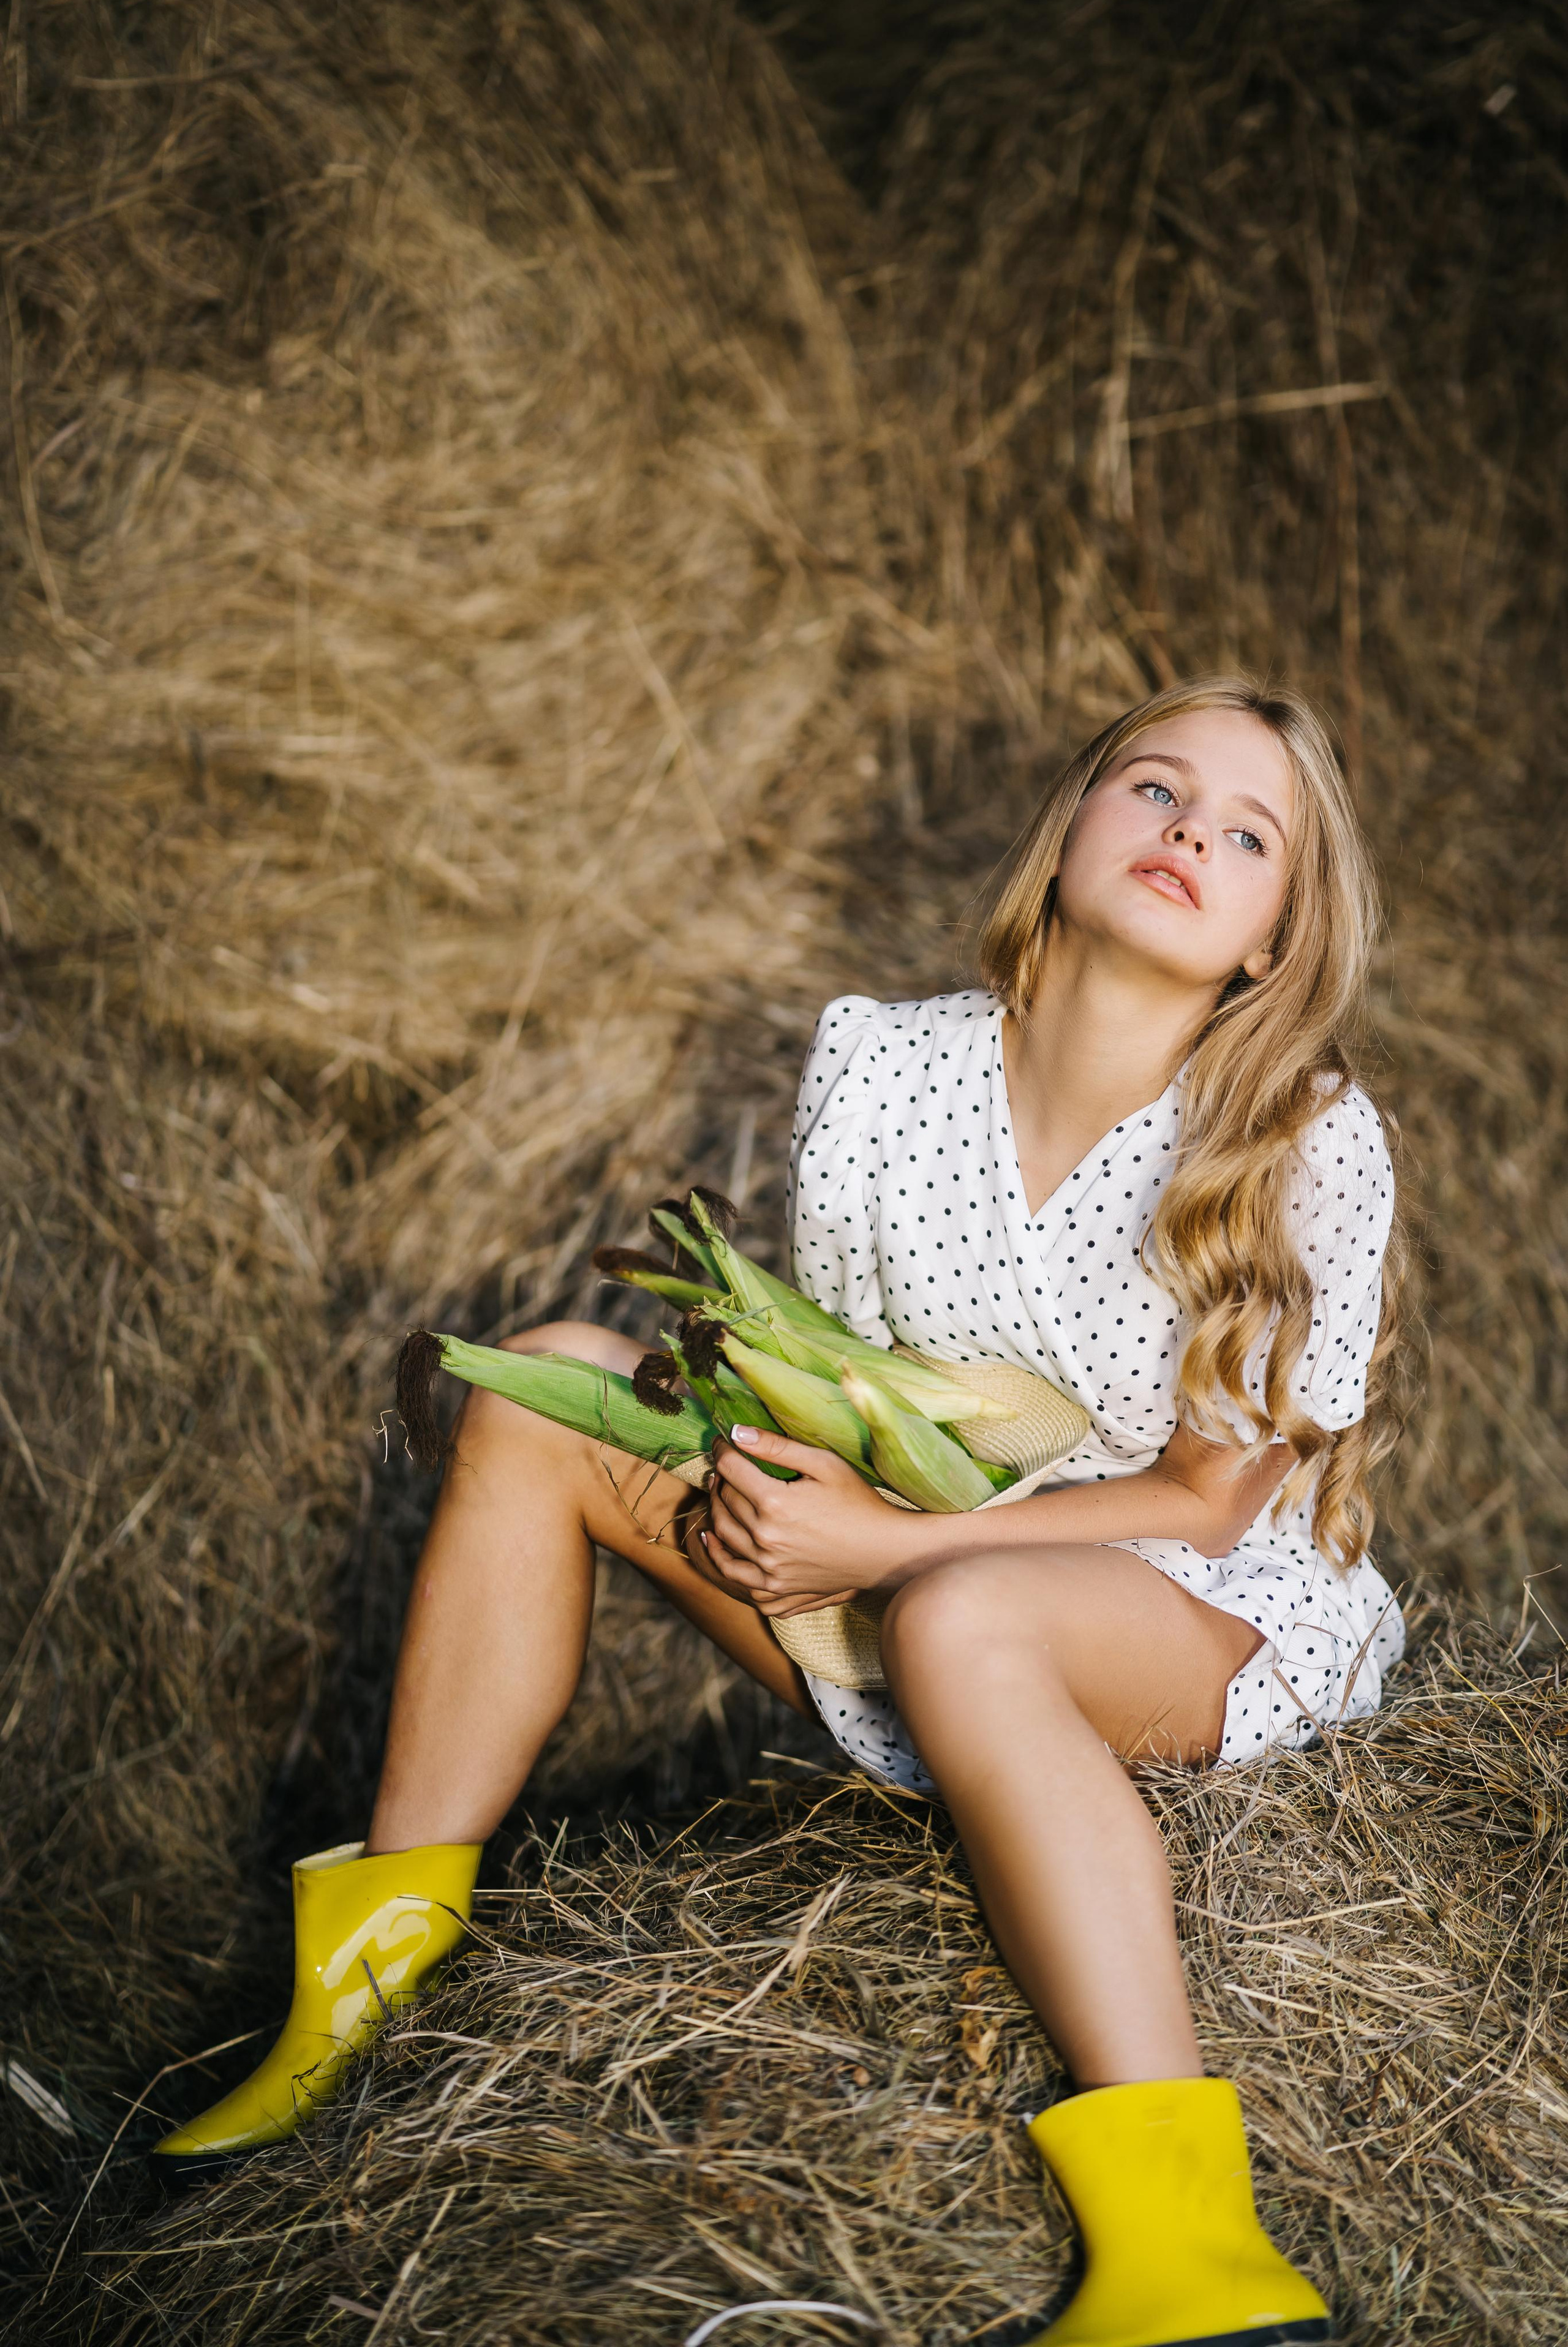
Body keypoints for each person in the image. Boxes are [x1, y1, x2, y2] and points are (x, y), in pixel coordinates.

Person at [152, 674, 1406, 2347]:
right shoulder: (881, 1067)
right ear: (1071, 832)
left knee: (962, 1615)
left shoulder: (1298, 1132)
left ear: (1271, 938)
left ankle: (1192, 2254)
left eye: (1246, 834)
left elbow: (1201, 1492)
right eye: (1154, 790)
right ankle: (354, 1998)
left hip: (1196, 1608)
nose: (1188, 834)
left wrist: (887, 1551)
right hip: (897, 1581)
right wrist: (780, 1495)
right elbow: (837, 1392)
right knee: (542, 1382)